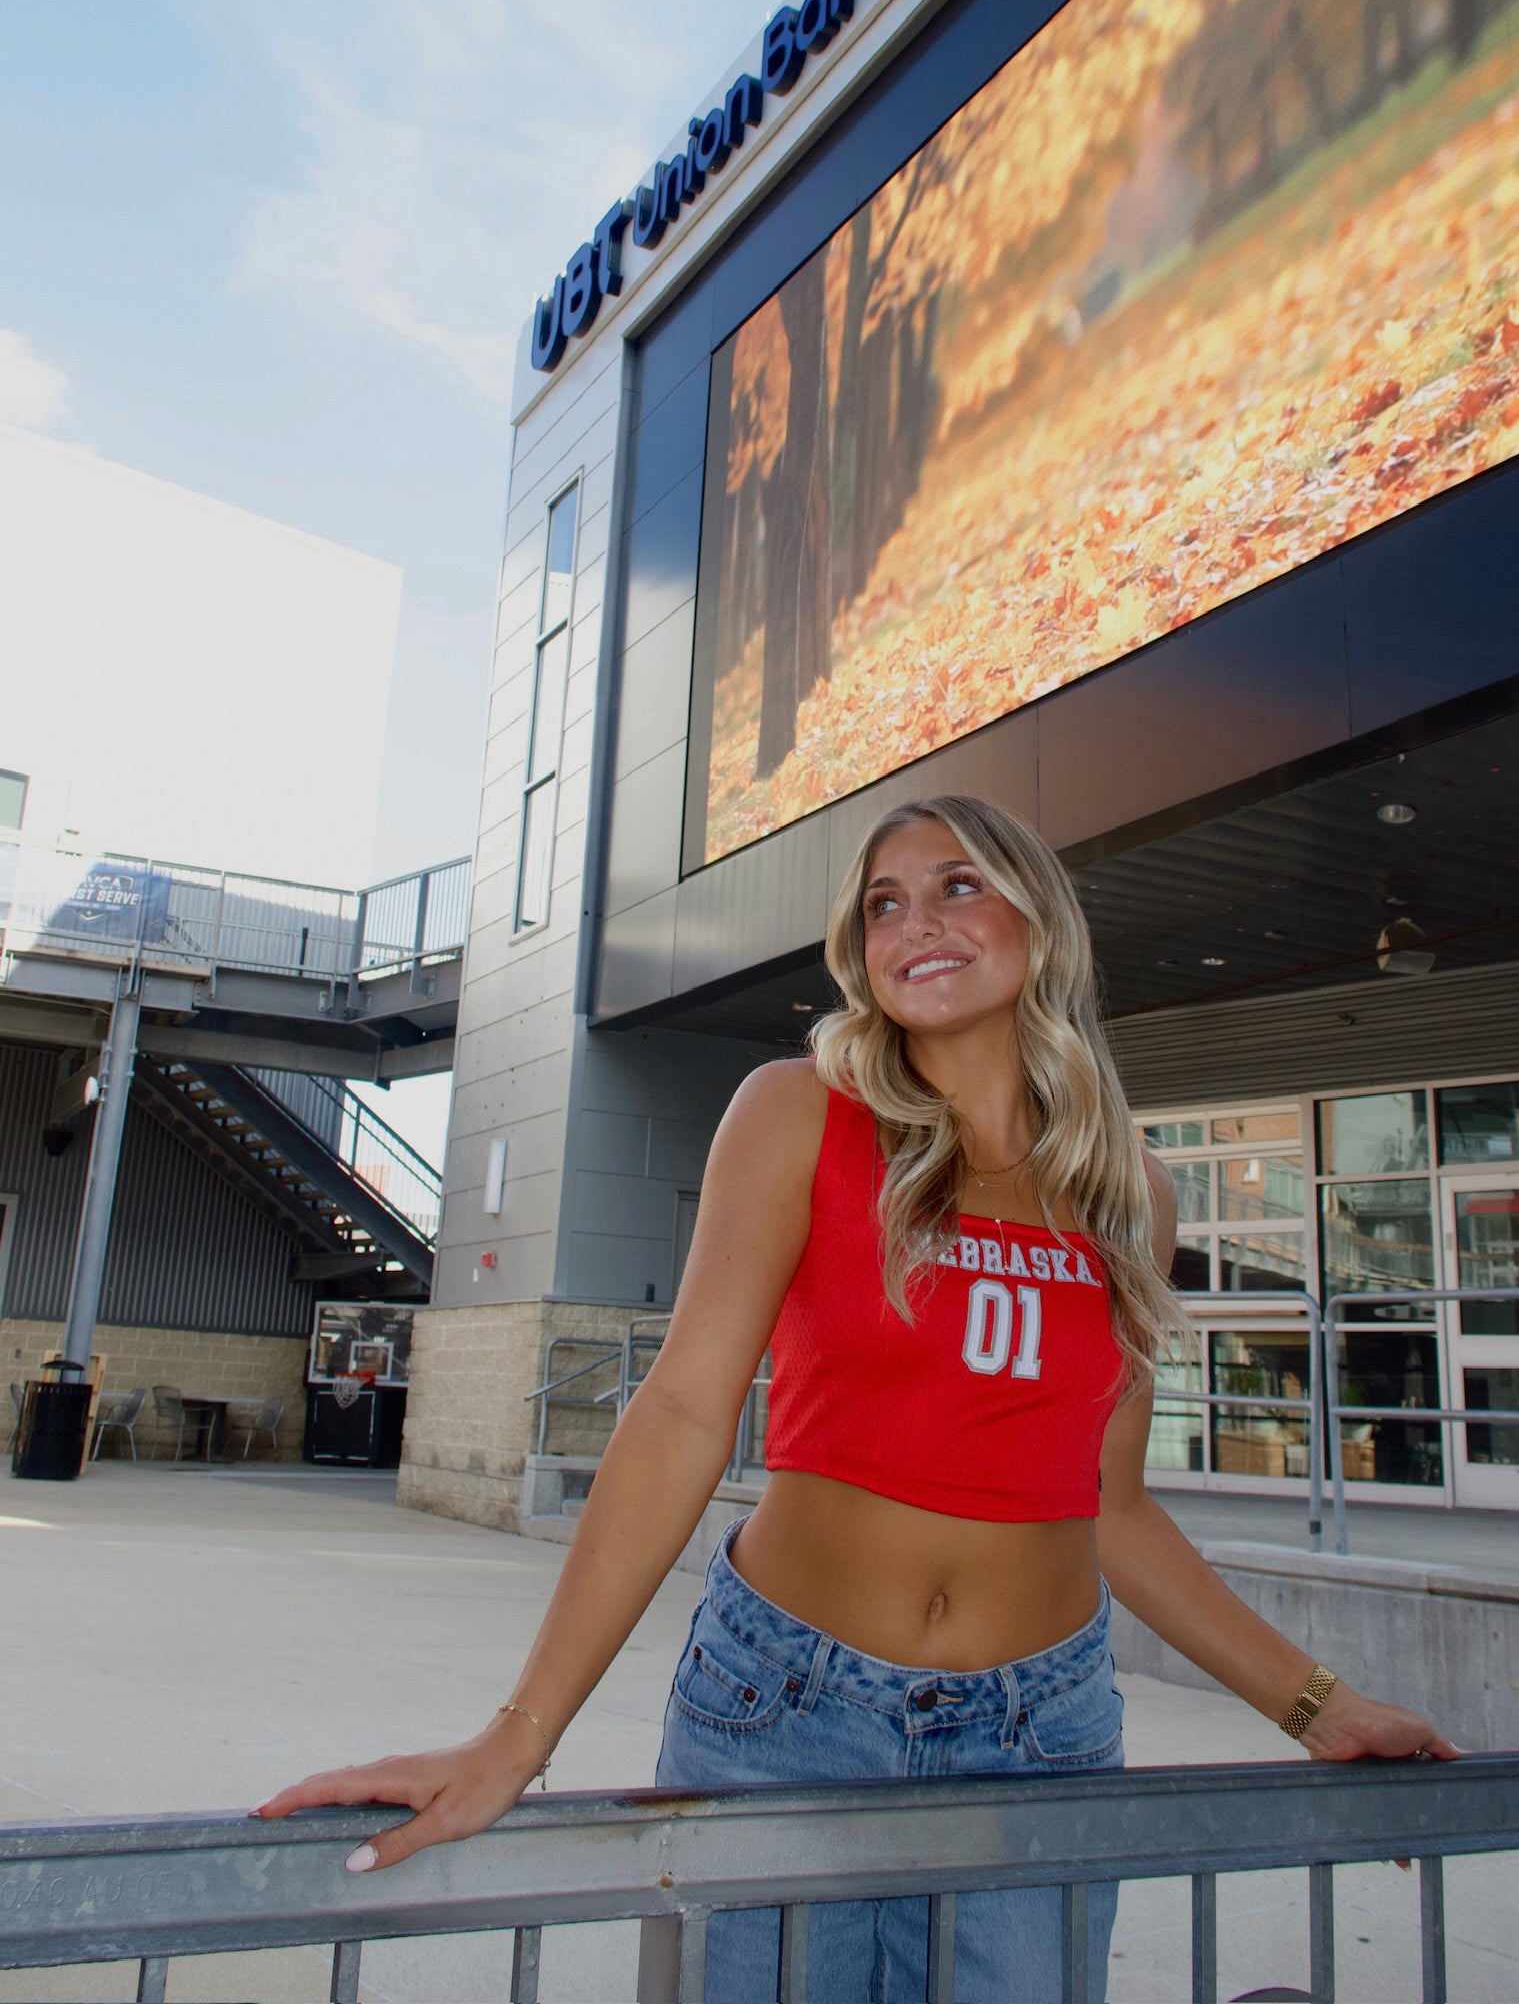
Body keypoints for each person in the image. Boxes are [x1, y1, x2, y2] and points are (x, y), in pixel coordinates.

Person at [257, 794, 1454, 2002]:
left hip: (1037, 1731)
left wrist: (1320, 1708)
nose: (913, 923)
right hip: (786, 1708)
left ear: (1040, 920)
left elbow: (1114, 1508)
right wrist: (519, 1736)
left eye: (957, 887)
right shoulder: (797, 1113)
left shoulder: (1125, 1191)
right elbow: (680, 1413)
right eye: (884, 903)